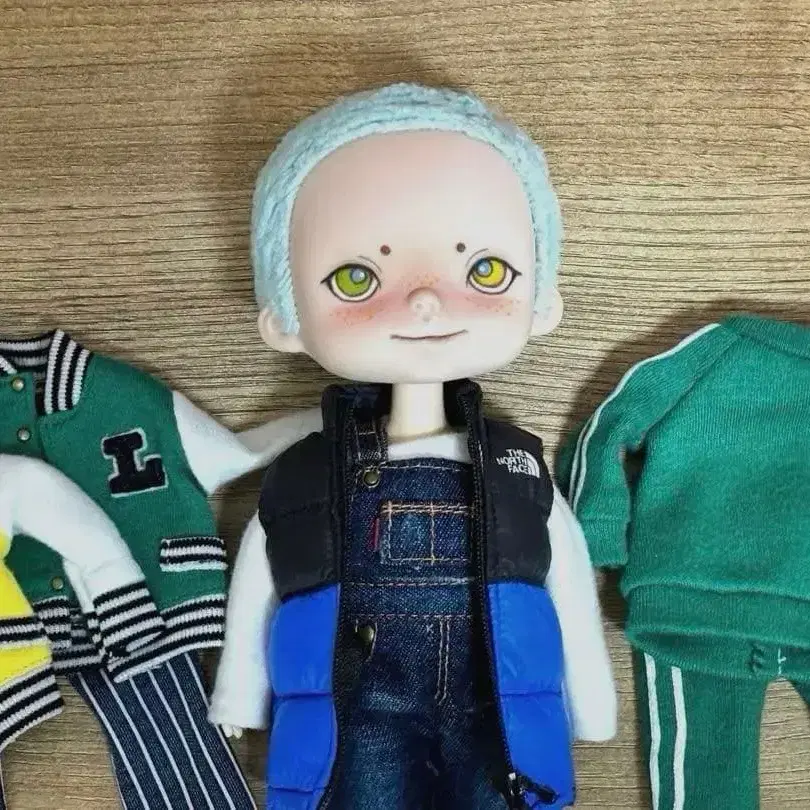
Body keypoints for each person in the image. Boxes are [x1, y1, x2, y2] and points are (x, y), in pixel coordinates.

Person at [209, 83, 616, 810]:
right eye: (357, 278)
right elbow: (261, 578)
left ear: (544, 300)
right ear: (284, 315)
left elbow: (565, 581)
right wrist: (240, 692)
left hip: (495, 699)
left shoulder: (515, 470)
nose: (426, 303)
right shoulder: (306, 477)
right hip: (359, 701)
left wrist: (590, 699)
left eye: (484, 271)